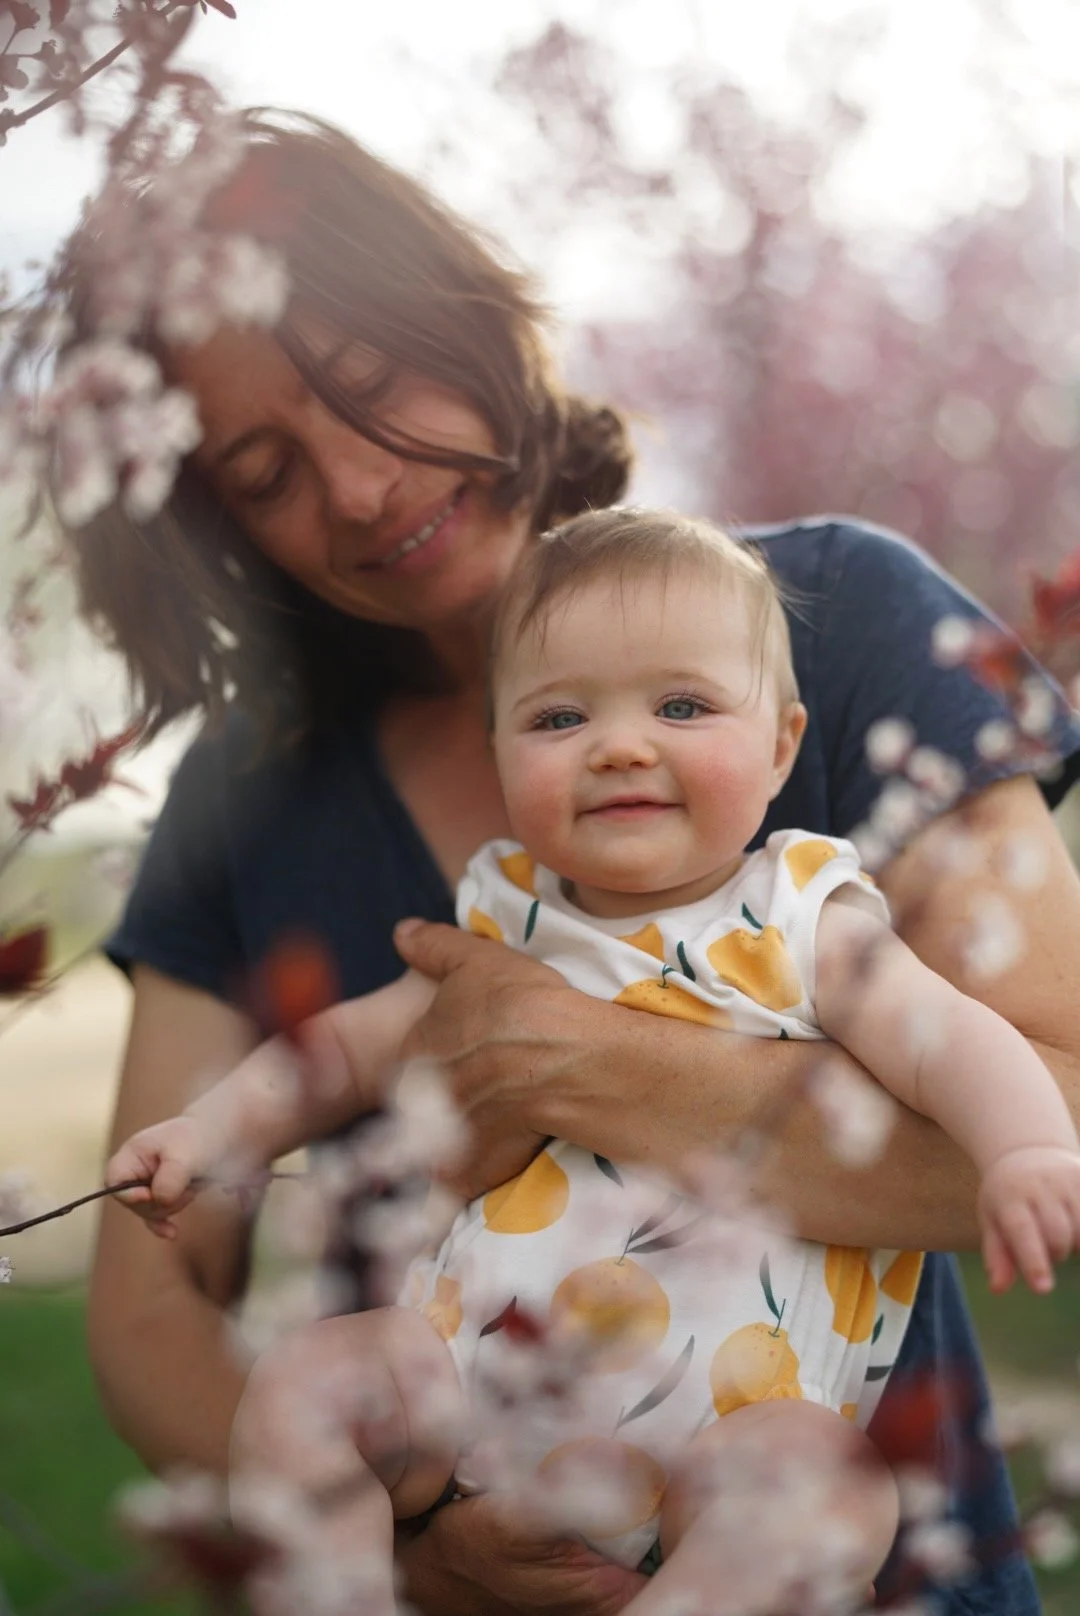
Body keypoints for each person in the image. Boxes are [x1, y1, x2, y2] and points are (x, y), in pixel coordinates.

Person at [61, 109, 1080, 1615]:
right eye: (266, 471)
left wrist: (576, 1064)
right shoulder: (253, 802)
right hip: (472, 1455)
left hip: (829, 1524)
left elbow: (1056, 1094)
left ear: (468, 323)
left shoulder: (841, 621)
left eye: (372, 385)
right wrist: (418, 1559)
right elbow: (154, 1305)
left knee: (814, 1489)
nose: (354, 489)